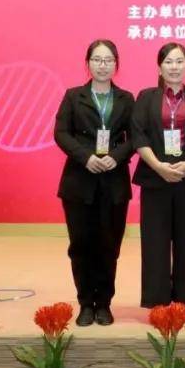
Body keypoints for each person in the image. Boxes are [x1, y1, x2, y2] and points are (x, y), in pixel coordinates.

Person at [53, 39, 135, 327]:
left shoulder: (126, 99)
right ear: (87, 63)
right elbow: (61, 133)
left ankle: (104, 304)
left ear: (116, 65)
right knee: (81, 245)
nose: (103, 65)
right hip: (79, 181)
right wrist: (86, 157)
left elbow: (136, 136)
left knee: (109, 245)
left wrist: (117, 157)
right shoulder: (73, 96)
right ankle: (86, 303)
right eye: (97, 60)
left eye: (108, 60)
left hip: (114, 182)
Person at [131, 42, 185, 308]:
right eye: (168, 62)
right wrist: (158, 166)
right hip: (154, 179)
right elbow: (138, 135)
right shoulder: (146, 97)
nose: (174, 67)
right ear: (159, 67)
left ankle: (181, 300)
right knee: (154, 242)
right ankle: (156, 301)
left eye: (179, 62)